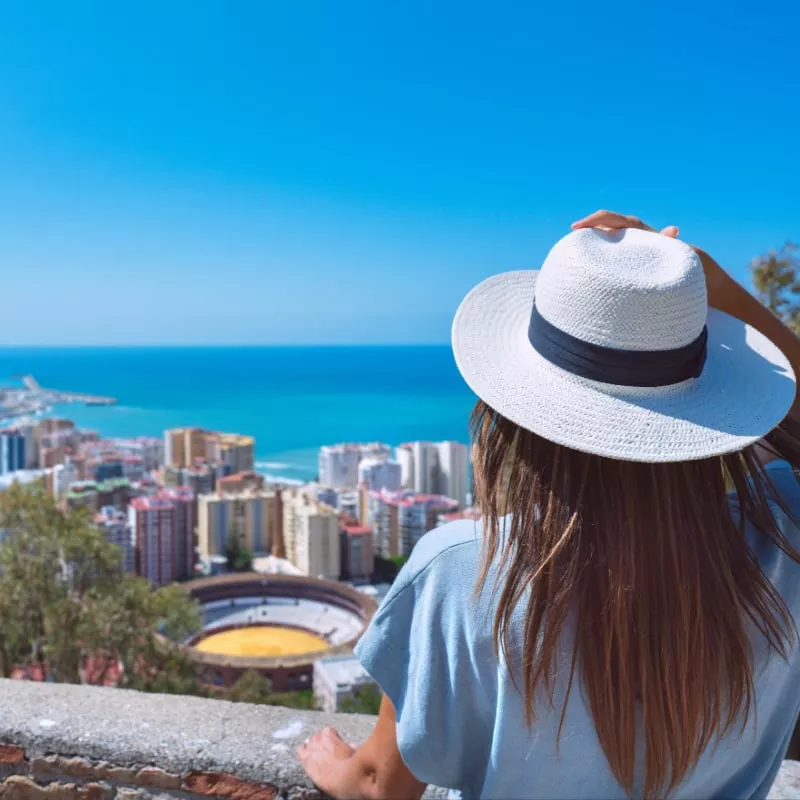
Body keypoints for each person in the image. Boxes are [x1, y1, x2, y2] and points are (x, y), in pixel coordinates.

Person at [297, 211, 800, 799]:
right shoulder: (782, 534)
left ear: (512, 413)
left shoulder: (462, 571)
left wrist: (337, 767)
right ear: (709, 406)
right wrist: (713, 291)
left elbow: (381, 786)